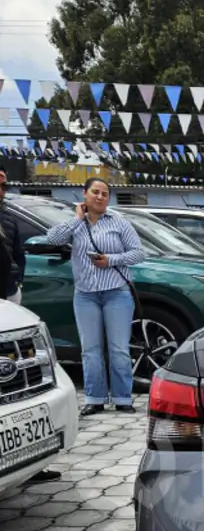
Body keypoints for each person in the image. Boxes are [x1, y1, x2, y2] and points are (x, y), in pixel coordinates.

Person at [45, 176, 145, 415]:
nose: (100, 197)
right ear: (85, 194)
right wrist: (77, 219)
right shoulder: (76, 224)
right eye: (95, 192)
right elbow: (52, 239)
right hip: (85, 295)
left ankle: (122, 398)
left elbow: (139, 253)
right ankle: (94, 398)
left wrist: (112, 260)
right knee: (90, 349)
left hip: (116, 293)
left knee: (118, 348)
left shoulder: (119, 222)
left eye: (105, 194)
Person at [0, 169, 25, 305]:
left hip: (9, 291)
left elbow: (18, 253)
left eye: (4, 186)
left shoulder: (9, 218)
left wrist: (18, 280)